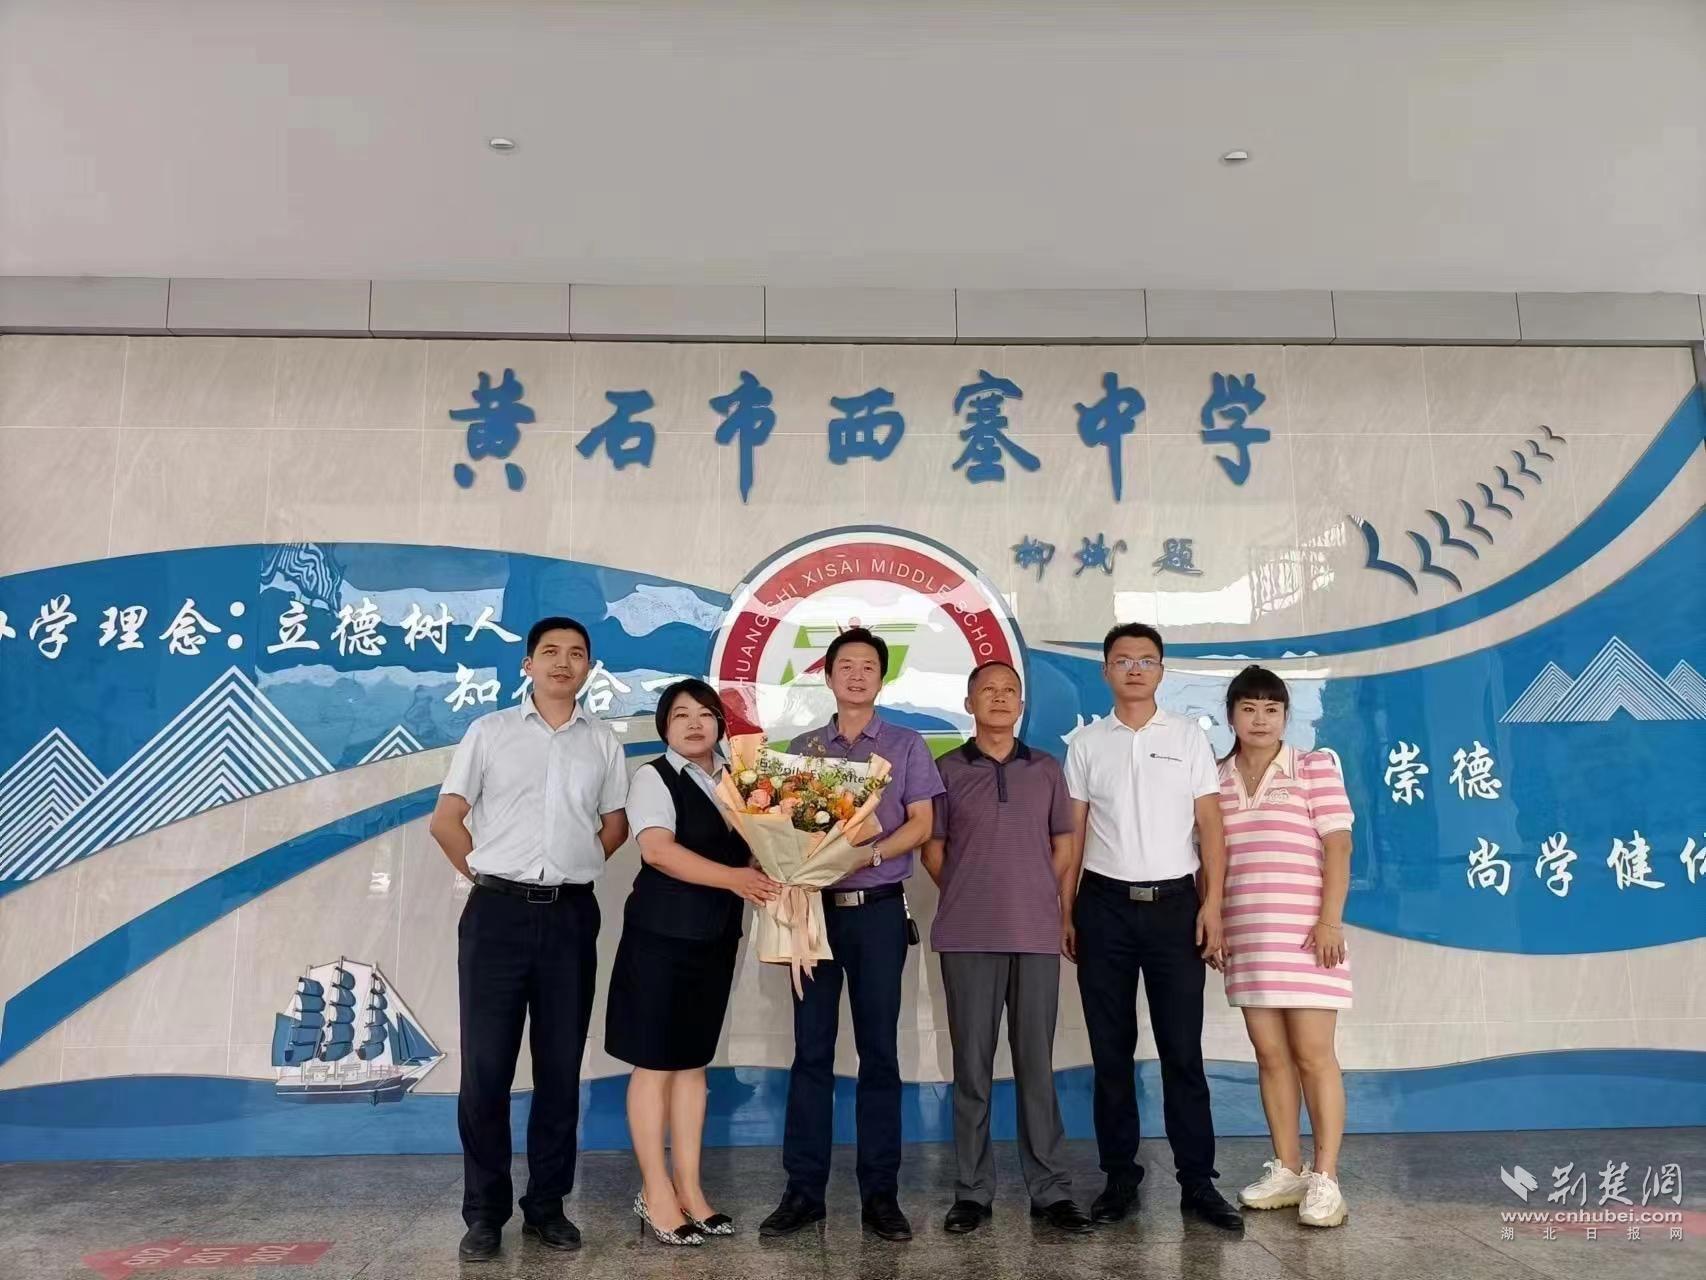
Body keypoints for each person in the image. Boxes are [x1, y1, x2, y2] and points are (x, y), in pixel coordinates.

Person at [429, 616, 629, 1262]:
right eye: (550, 652)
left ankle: (547, 1205)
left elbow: (615, 825)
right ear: (528, 664)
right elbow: (447, 820)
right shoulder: (489, 732)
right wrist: (491, 875)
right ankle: (484, 1213)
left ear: (589, 667)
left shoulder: (603, 741)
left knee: (559, 1068)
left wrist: (570, 867)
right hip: (496, 917)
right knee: (486, 1070)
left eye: (576, 654)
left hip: (570, 917)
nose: (563, 663)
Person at [760, 626, 945, 1243]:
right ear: (828, 675)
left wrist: (867, 856)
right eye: (846, 665)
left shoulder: (905, 744)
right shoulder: (803, 749)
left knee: (880, 1053)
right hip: (813, 912)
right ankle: (803, 1191)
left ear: (881, 678)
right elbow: (782, 828)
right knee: (811, 1050)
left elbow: (921, 824)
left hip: (878, 912)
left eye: (869, 665)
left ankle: (880, 1194)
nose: (857, 674)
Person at [1062, 623, 1243, 1233]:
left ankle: (1198, 1182)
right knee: (1109, 1052)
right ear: (1106, 671)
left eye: (1146, 659)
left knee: (1182, 1051)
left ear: (1162, 670)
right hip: (1103, 905)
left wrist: (1212, 905)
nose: (1135, 669)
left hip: (1175, 908)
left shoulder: (1189, 736)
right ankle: (1119, 1177)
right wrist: (1066, 910)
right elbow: (1074, 835)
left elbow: (1210, 827)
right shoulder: (1087, 744)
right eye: (1123, 660)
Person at [605, 680, 783, 1246]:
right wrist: (737, 878)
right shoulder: (653, 777)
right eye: (680, 715)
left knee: (692, 1063)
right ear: (664, 726)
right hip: (661, 937)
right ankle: (655, 1192)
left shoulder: (737, 781)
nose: (694, 723)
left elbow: (756, 848)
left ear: (720, 725)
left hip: (715, 936)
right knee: (655, 1063)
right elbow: (657, 850)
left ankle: (691, 1189)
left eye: (705, 714)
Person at [923, 661, 1093, 1236]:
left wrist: (1034, 893)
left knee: (1036, 1067)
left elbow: (1064, 844)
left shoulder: (1046, 769)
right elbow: (933, 850)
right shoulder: (946, 769)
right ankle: (972, 1193)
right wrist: (971, 890)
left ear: (1021, 705)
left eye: (1009, 692)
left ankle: (1051, 1191)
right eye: (988, 691)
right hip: (967, 935)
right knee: (971, 1069)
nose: (999, 699)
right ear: (969, 703)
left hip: (1035, 935)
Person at [1215, 665, 1353, 1229]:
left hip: (1308, 937)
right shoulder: (1215, 777)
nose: (1260, 719)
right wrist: (1215, 924)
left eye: (1272, 709)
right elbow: (1209, 862)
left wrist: (1329, 921)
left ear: (1285, 716)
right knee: (1269, 1056)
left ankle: (1327, 1177)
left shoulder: (1313, 767)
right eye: (1249, 708)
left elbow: (1339, 846)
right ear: (1230, 715)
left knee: (1314, 1056)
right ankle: (1289, 1169)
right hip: (1247, 936)